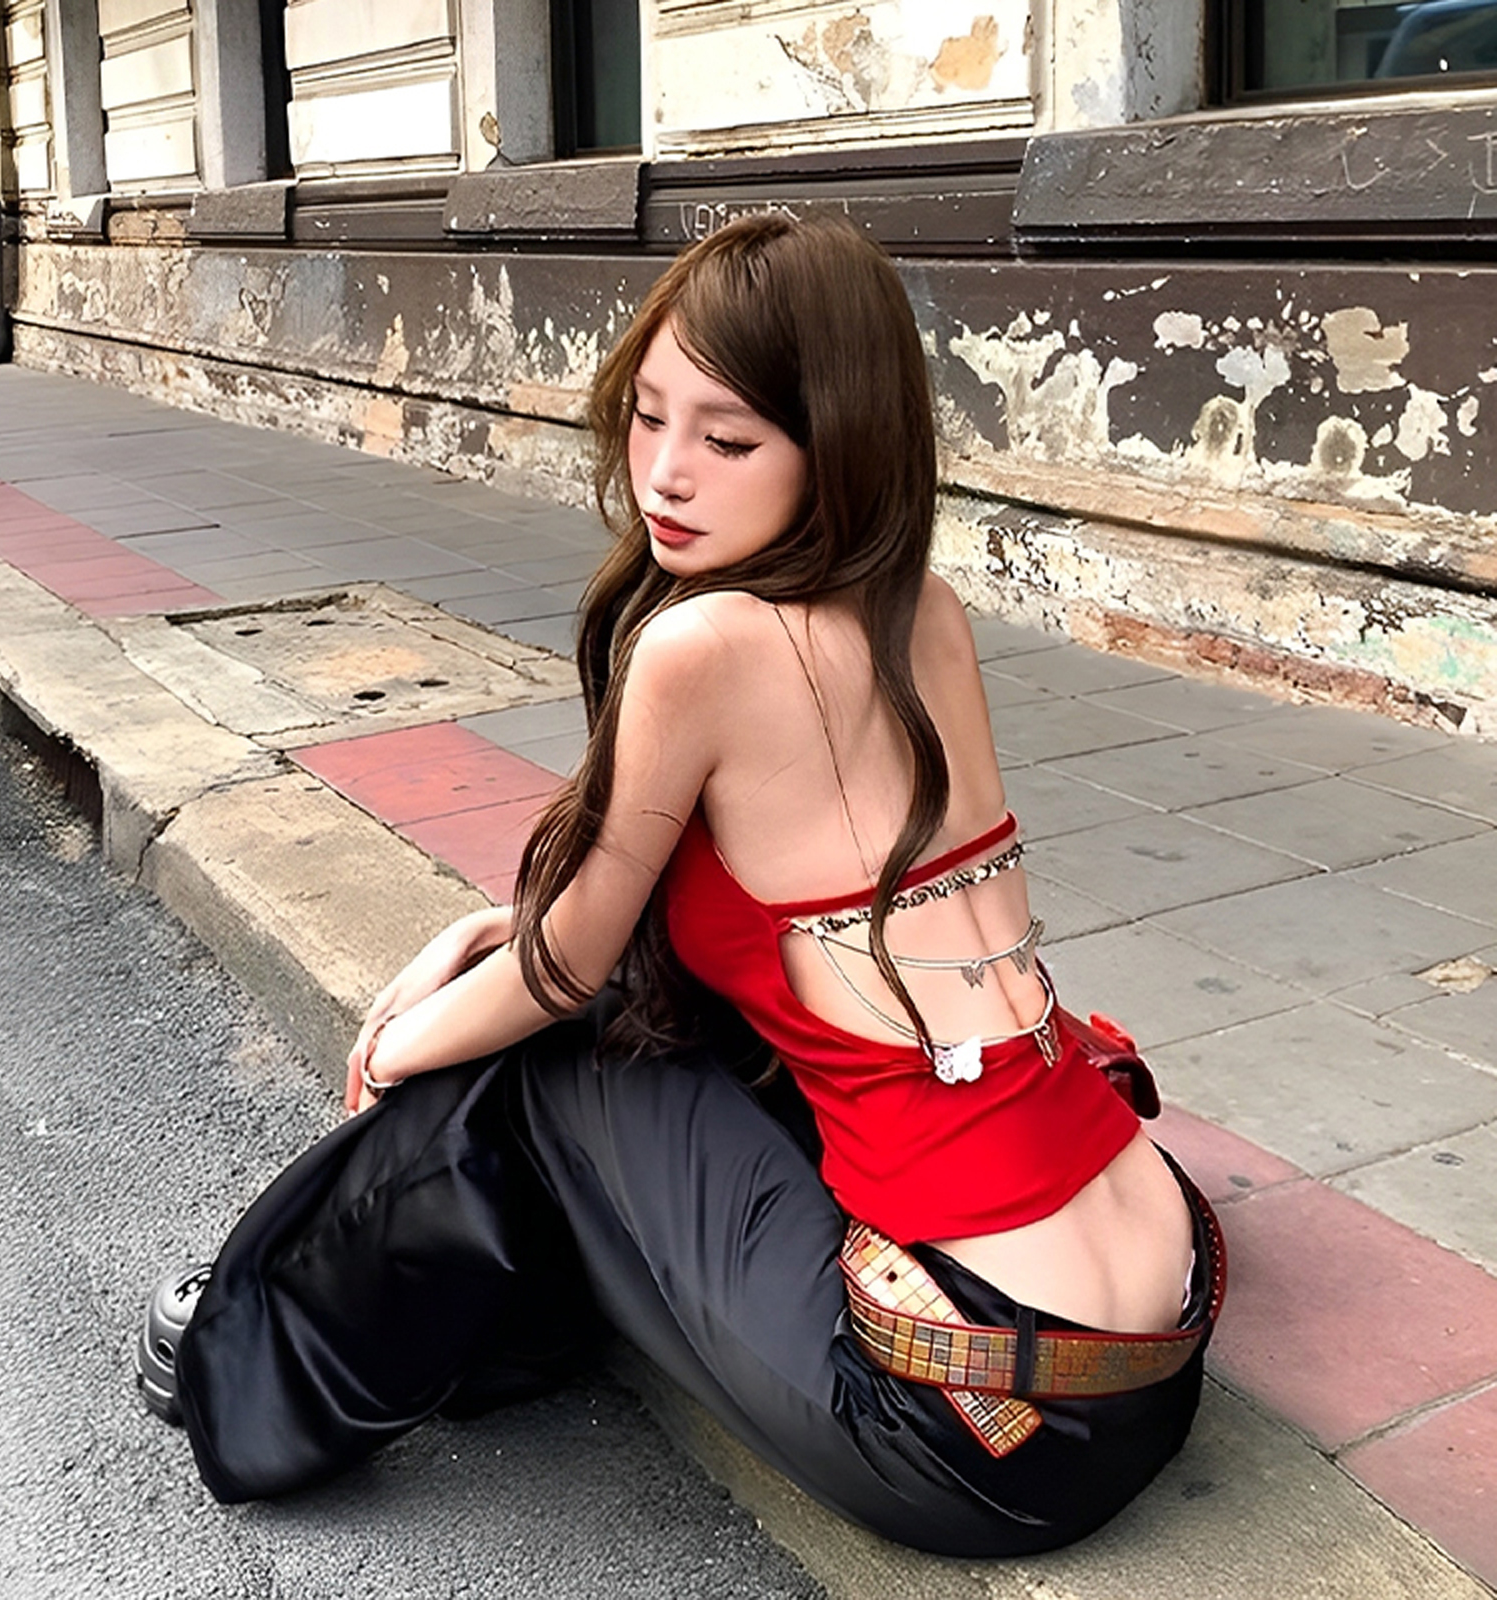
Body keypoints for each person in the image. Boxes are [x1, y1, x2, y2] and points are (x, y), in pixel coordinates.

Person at [158, 214, 1223, 1558]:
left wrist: (395, 1044)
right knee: (646, 1035)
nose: (665, 474)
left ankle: (264, 1338)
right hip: (1152, 1336)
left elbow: (566, 973)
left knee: (543, 1067)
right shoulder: (924, 608)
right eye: (647, 417)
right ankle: (349, 1311)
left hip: (969, 1427)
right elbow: (785, 903)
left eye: (728, 442)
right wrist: (499, 929)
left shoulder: (704, 644)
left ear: (838, 446)